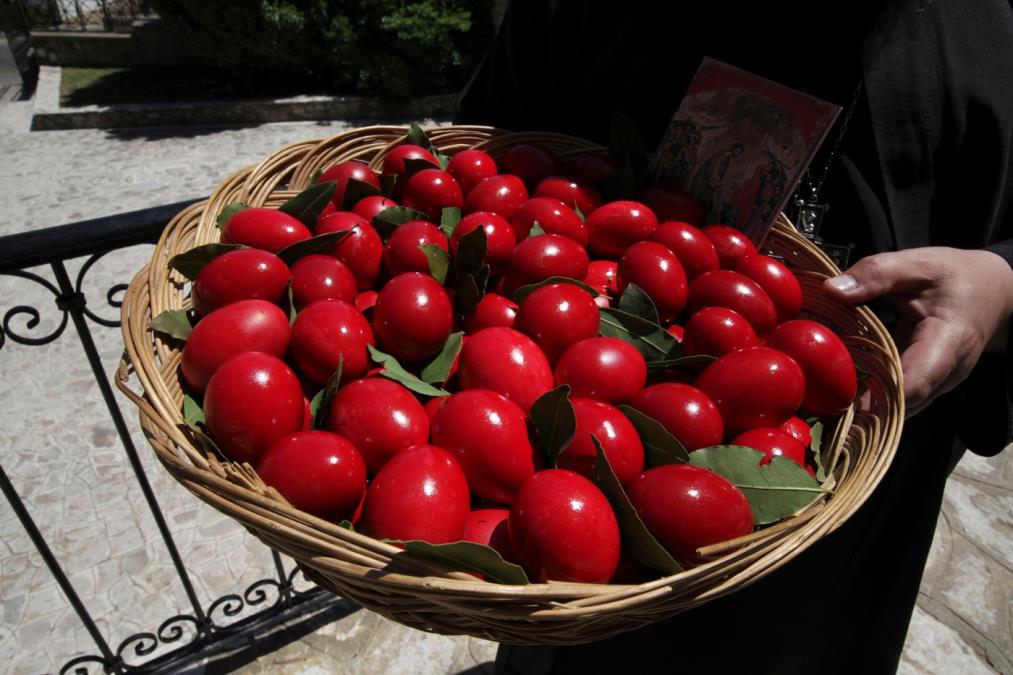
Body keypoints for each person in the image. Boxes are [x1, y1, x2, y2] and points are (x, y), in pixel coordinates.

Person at [456, 2, 1013, 673]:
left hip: (841, 495)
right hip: (572, 474)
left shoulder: (990, 29)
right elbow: (484, 161)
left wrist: (1001, 285)